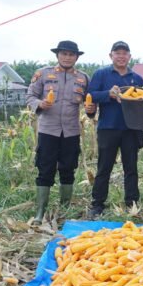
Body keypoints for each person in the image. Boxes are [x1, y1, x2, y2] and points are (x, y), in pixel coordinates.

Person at [25, 40, 93, 222]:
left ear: (76, 57)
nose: (67, 57)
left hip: (71, 131)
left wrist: (91, 109)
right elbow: (30, 96)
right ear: (57, 55)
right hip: (48, 131)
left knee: (68, 169)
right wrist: (39, 103)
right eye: (64, 54)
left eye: (71, 54)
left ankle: (64, 210)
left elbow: (90, 101)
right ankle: (40, 211)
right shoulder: (43, 74)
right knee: (45, 170)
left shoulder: (83, 78)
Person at [86, 41, 143, 218]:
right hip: (108, 127)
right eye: (117, 53)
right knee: (104, 167)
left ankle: (132, 202)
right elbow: (90, 95)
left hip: (131, 129)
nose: (121, 56)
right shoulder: (101, 74)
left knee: (131, 168)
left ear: (129, 57)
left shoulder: (137, 78)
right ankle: (97, 204)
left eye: (124, 53)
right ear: (111, 56)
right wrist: (108, 94)